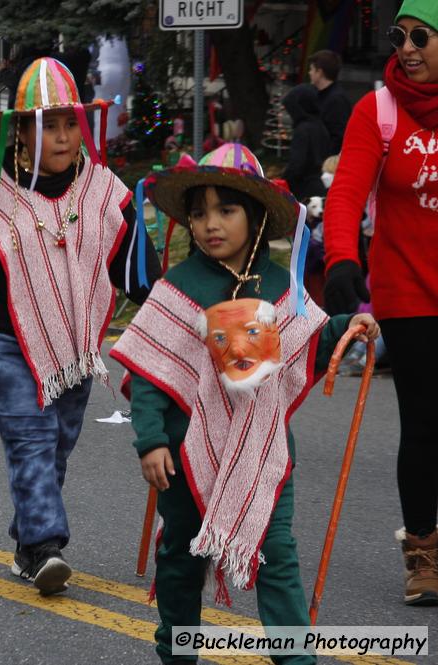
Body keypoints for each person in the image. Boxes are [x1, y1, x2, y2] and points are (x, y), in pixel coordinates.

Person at [111, 143, 380, 665]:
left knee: (276, 558)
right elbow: (150, 370)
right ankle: (177, 651)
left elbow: (309, 342)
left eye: (226, 209)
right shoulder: (176, 288)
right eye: (199, 211)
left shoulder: (281, 287)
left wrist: (349, 328)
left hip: (262, 455)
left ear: (255, 215)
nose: (211, 223)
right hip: (183, 459)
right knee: (182, 559)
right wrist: (150, 441)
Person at [0, 57, 160, 595]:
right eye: (47, 124)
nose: (61, 137)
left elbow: (135, 268)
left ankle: (25, 541)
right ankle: (45, 547)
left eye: (69, 124)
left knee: (56, 443)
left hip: (74, 346)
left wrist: (166, 310)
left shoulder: (104, 192)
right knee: (31, 439)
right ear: (22, 130)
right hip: (0, 340)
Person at [323, 0, 438, 606]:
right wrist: (341, 257)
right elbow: (346, 192)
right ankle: (423, 551)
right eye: (399, 37)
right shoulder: (380, 110)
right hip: (409, 294)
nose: (407, 48)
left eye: (421, 35)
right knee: (424, 423)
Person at [282, 83, 330, 201]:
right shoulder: (321, 126)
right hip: (319, 186)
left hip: (303, 190)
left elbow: (297, 164)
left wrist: (284, 181)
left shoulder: (302, 130)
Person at [308, 50, 352, 155]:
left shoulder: (336, 100)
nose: (309, 73)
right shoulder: (321, 94)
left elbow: (338, 137)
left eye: (311, 69)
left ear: (320, 72)